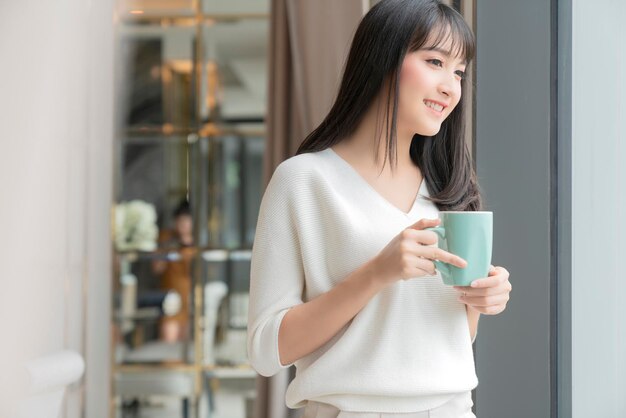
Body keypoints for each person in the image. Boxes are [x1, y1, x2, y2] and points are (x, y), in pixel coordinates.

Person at [247, 1, 512, 417]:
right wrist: (378, 272)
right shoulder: (303, 181)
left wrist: (477, 300)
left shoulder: (450, 189)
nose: (450, 86)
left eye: (459, 72)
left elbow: (446, 344)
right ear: (382, 59)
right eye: (435, 61)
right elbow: (266, 350)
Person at [152, 198, 195, 342]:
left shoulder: (196, 244)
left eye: (186, 221)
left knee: (186, 346)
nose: (182, 225)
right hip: (170, 299)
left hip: (190, 299)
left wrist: (187, 244)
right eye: (179, 221)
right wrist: (169, 248)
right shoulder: (167, 238)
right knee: (169, 342)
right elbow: (157, 268)